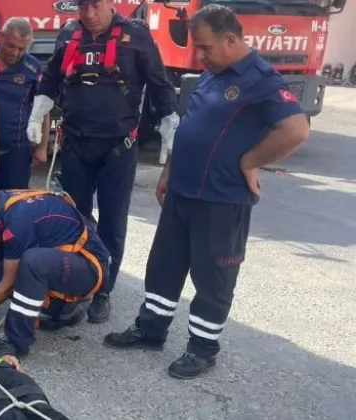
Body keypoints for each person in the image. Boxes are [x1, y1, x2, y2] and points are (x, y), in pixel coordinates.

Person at [104, 5, 309, 379]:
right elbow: (191, 126)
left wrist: (251, 161)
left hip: (222, 197)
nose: (200, 55)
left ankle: (202, 349)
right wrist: (168, 169)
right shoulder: (213, 73)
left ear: (231, 39)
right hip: (183, 191)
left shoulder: (260, 78)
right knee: (164, 266)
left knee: (213, 279)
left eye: (206, 47)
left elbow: (295, 129)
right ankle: (151, 330)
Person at [26, 0, 179, 324]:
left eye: (95, 6)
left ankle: (103, 290)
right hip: (76, 144)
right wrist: (37, 115)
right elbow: (51, 77)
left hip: (118, 148)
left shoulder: (136, 36)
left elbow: (159, 83)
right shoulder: (69, 34)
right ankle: (74, 281)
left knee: (112, 222)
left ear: (110, 4)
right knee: (74, 218)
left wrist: (170, 124)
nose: (89, 14)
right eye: (83, 7)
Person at [0, 168, 111, 355]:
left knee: (31, 263)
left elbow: (8, 286)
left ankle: (16, 341)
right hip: (65, 261)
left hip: (91, 266)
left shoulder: (17, 218)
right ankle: (62, 311)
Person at [0, 18, 50, 190]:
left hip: (15, 153)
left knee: (14, 207)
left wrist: (42, 147)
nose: (15, 53)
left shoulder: (33, 68)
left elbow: (42, 108)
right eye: (11, 46)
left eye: (22, 49)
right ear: (0, 37)